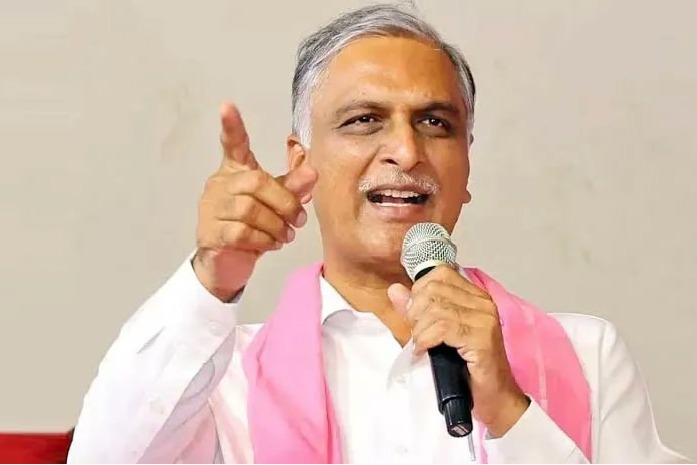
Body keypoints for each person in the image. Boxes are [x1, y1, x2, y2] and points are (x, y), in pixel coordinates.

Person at [67, 4, 687, 464]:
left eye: (435, 123)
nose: (406, 151)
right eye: (365, 120)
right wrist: (212, 276)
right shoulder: (222, 377)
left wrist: (510, 411)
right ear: (302, 162)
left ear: (467, 168)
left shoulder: (586, 355)